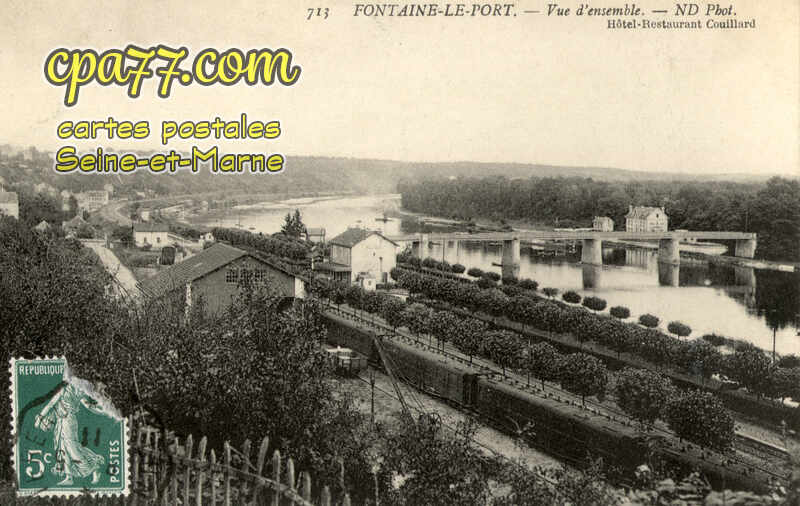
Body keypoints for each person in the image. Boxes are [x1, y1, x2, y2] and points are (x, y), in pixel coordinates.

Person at [34, 380, 105, 486]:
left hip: (68, 421)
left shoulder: (76, 390)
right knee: (62, 448)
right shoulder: (73, 390)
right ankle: (69, 477)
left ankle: (94, 467)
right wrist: (103, 411)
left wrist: (40, 418)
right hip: (61, 421)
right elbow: (52, 404)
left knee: (73, 449)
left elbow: (51, 404)